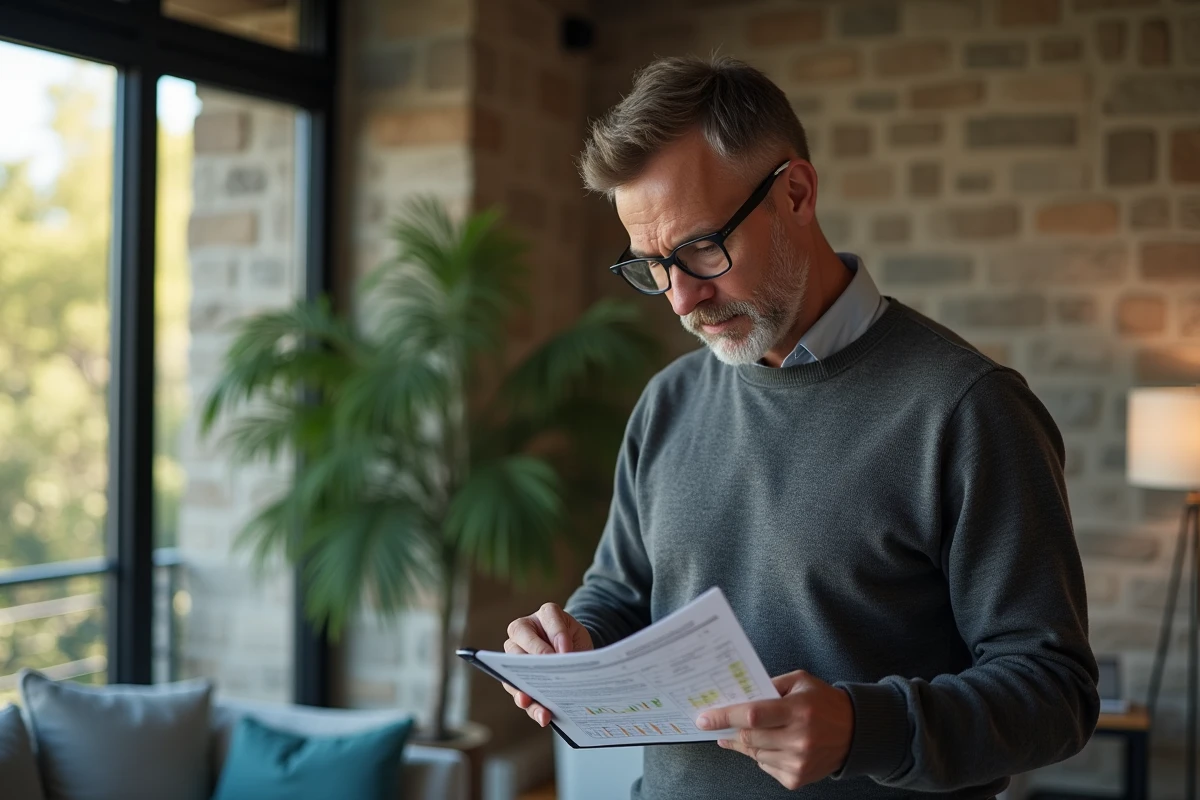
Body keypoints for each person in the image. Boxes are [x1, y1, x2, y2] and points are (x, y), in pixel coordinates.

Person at [500, 55, 1099, 800]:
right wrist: (574, 645)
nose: (682, 299)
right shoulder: (667, 401)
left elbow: (1055, 693)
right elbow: (620, 595)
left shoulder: (969, 409)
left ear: (797, 192)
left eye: (700, 250)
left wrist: (863, 727)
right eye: (653, 265)